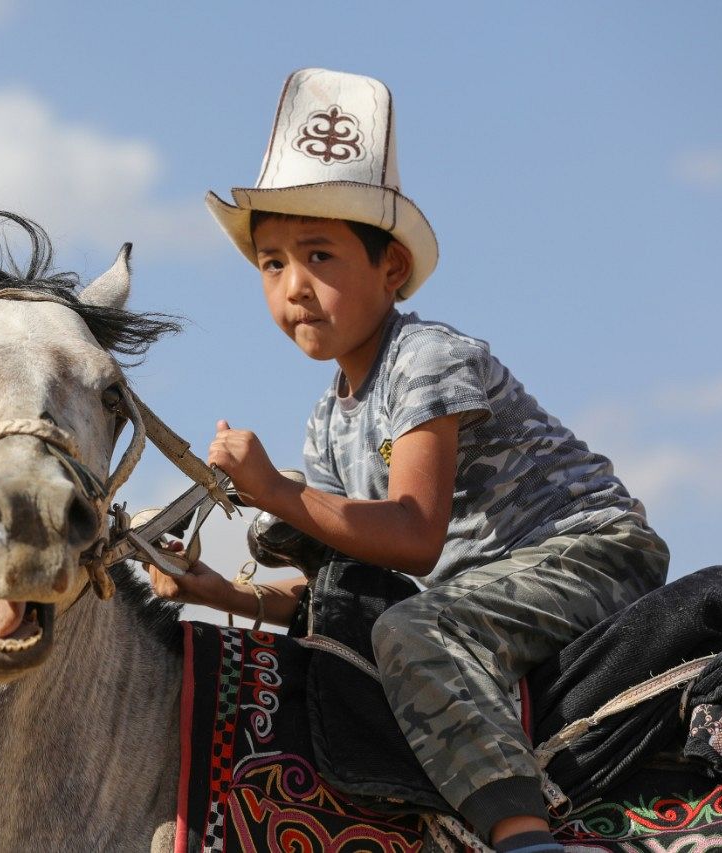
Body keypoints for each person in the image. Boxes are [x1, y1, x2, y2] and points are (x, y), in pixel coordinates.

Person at [147, 68, 669, 853]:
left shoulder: (427, 358)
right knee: (366, 630)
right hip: (475, 593)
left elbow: (415, 535)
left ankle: (525, 837)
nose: (294, 286)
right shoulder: (329, 421)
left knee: (411, 632)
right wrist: (222, 591)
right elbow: (339, 594)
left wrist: (274, 492)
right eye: (271, 263)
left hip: (587, 550)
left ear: (391, 269)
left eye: (319, 255)